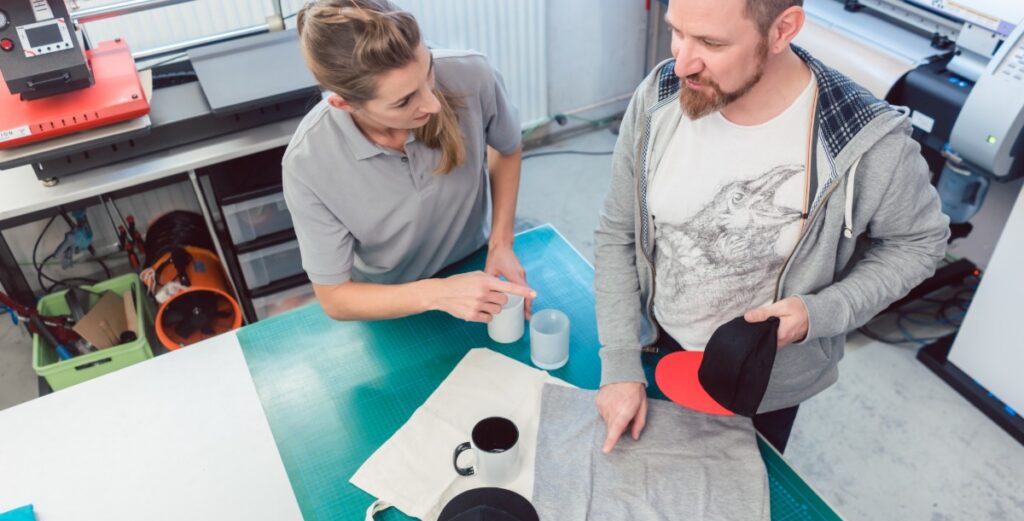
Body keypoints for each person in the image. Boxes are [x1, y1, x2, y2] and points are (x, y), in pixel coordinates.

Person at [593, 0, 950, 453]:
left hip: (765, 378)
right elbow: (618, 233)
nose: (681, 63)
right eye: (676, 32)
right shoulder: (659, 96)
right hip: (654, 342)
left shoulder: (870, 144)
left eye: (711, 43)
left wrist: (820, 312)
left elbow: (919, 244)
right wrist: (621, 361)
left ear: (783, 30)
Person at [283, 0, 535, 323]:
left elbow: (507, 147)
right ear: (344, 104)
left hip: (474, 260)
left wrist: (501, 243)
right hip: (389, 300)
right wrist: (439, 294)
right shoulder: (307, 165)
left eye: (429, 71)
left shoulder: (471, 74)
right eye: (404, 101)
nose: (433, 104)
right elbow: (335, 298)